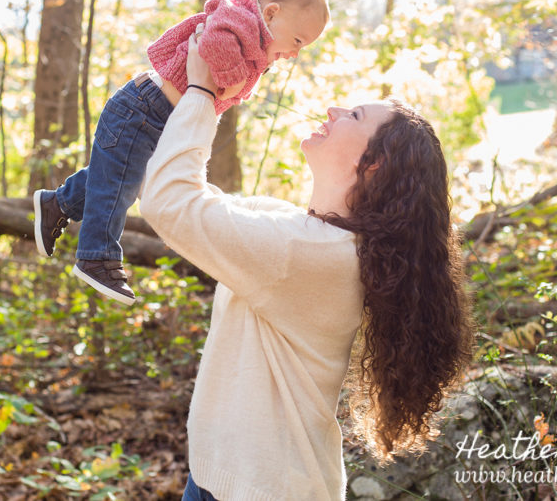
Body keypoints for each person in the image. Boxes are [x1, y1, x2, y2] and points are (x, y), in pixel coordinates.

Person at [138, 29, 475, 500]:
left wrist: (200, 90)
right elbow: (195, 199)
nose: (335, 110)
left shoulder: (303, 252)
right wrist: (208, 98)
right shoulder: (307, 236)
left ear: (374, 164)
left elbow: (169, 202)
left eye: (354, 115)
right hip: (227, 479)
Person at [33, 0, 329, 305]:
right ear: (271, 13)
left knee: (118, 177)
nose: (295, 53)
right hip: (142, 108)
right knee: (117, 186)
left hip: (156, 117)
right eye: (297, 41)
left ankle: (57, 203)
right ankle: (96, 257)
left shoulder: (254, 36)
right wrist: (233, 79)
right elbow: (215, 43)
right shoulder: (238, 18)